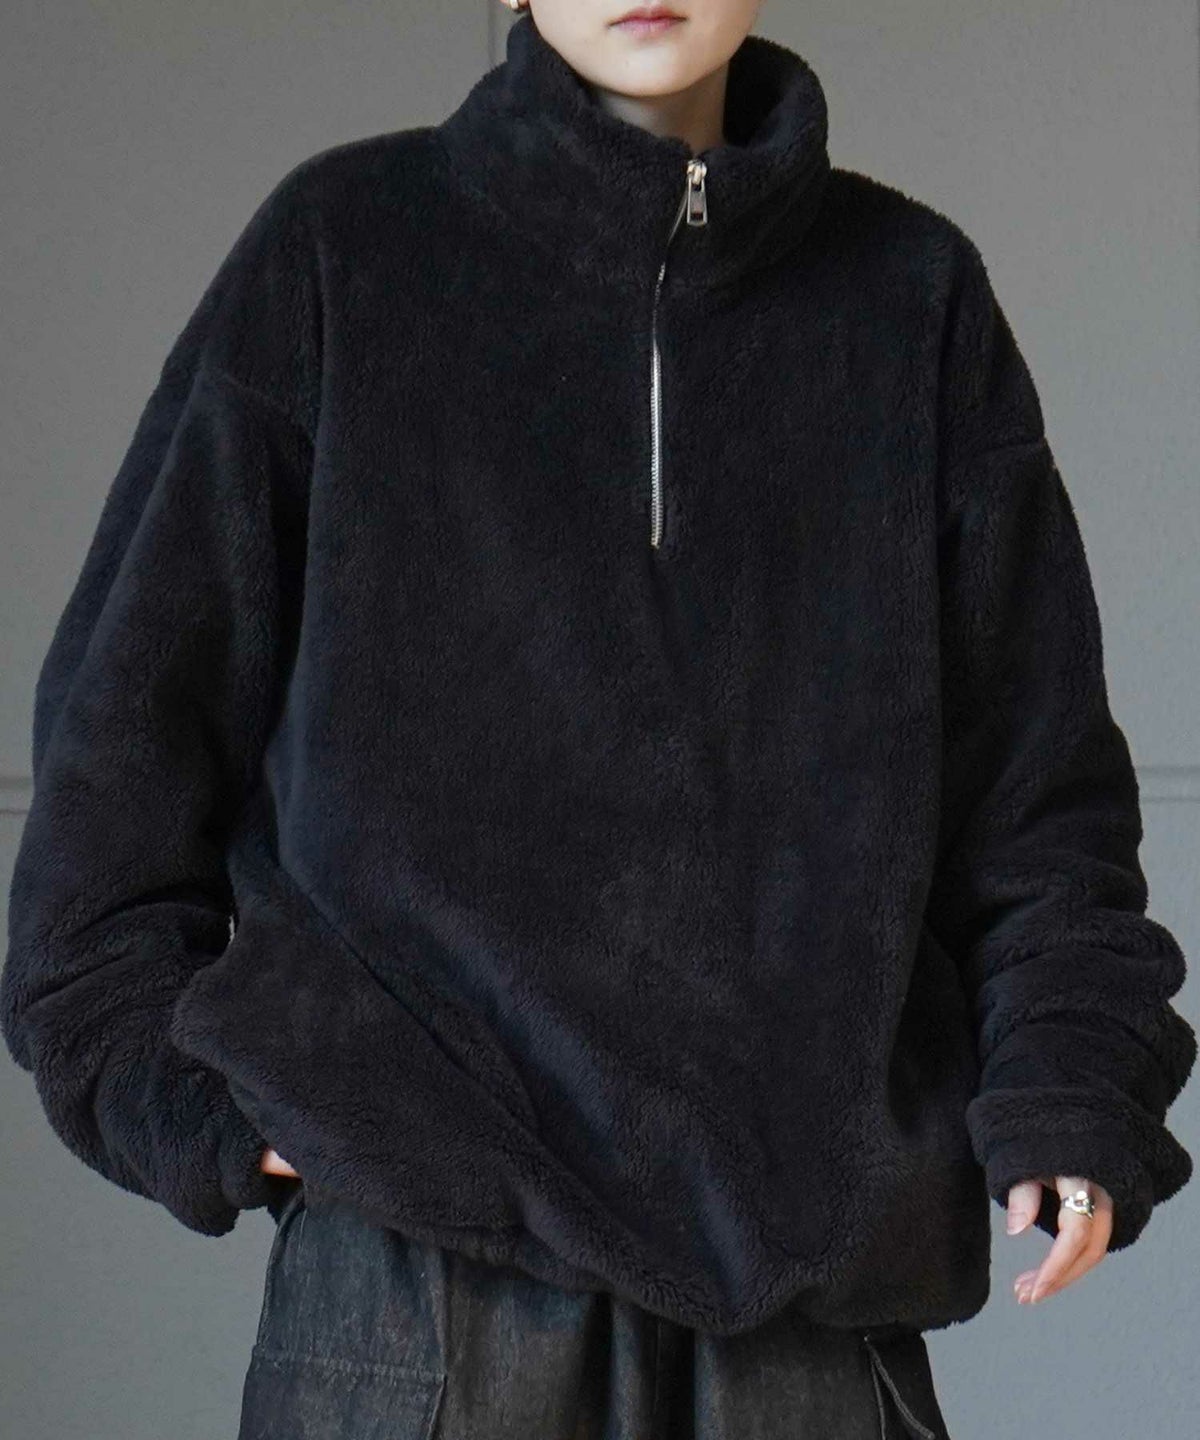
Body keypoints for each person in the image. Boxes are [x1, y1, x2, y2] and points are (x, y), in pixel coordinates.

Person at [3, 2, 1194, 1436]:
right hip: (422, 1300)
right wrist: (183, 1095)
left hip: (811, 1309)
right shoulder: (342, 250)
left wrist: (1073, 1085)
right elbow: (118, 759)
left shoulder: (910, 295)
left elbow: (1037, 797)